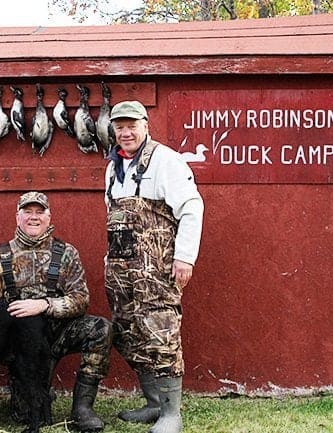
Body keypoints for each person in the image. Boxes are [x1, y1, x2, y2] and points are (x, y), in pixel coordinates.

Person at [104, 101, 204, 433]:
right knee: (130, 335)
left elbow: (191, 208)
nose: (125, 132)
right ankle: (152, 404)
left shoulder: (166, 161)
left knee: (161, 337)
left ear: (146, 125)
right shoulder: (113, 166)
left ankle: (171, 413)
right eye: (119, 126)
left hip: (156, 273)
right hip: (121, 275)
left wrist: (184, 257)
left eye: (131, 125)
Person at [0, 191, 112, 432]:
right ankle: (38, 393)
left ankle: (82, 409)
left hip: (58, 333)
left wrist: (45, 305)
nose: (34, 217)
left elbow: (81, 299)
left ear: (49, 217)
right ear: (17, 217)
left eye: (39, 212)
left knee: (101, 328)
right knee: (26, 417)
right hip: (21, 346)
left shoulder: (66, 253)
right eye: (27, 212)